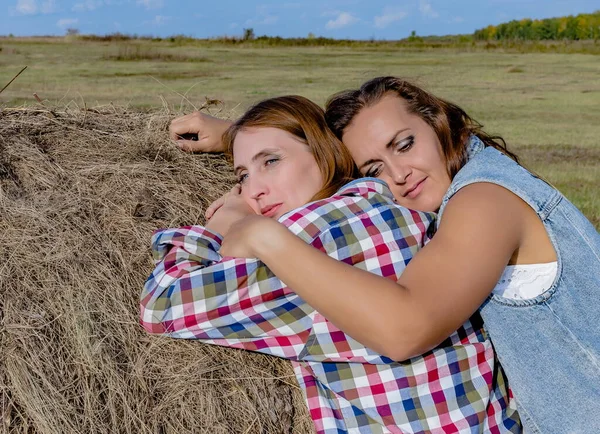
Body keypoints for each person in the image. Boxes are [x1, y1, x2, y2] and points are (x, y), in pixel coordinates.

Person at [185, 77, 599, 433]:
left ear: (436, 122)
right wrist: (241, 138)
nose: (399, 175)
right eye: (374, 169)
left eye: (404, 144)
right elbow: (324, 155)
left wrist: (262, 235)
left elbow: (405, 329)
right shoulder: (476, 172)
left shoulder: (484, 199)